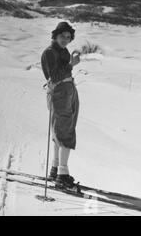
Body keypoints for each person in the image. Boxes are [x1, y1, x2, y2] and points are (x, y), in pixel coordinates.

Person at [41, 22, 80, 189]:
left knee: (63, 129)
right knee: (65, 131)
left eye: (68, 37)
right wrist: (71, 64)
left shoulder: (62, 51)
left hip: (68, 90)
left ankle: (56, 168)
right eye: (62, 36)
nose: (65, 39)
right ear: (55, 35)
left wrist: (70, 64)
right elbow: (54, 76)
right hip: (60, 92)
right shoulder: (49, 53)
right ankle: (62, 175)